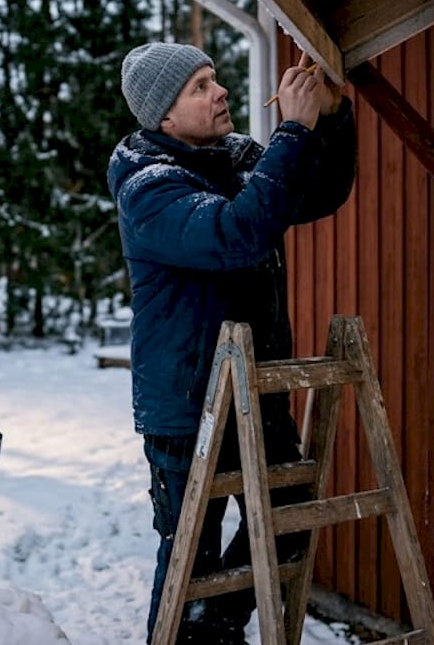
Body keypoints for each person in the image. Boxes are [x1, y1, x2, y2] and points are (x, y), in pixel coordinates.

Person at [107, 41, 356, 644]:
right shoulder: (149, 186)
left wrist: (331, 112)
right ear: (164, 116)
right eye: (199, 86)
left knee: (291, 516)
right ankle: (187, 632)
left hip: (254, 387)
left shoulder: (237, 157)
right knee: (191, 553)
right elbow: (236, 234)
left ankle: (214, 628)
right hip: (188, 404)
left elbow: (319, 192)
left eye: (213, 78)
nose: (219, 91)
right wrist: (292, 131)